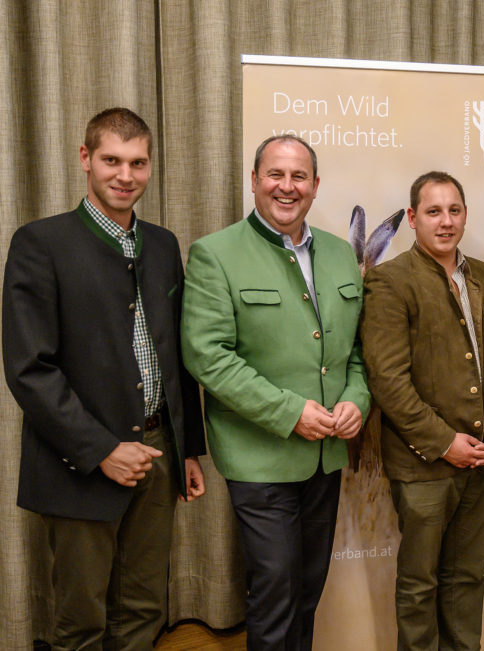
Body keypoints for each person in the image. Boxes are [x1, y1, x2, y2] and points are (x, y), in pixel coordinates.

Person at [2, 107, 206, 650]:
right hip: (81, 459)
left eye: (138, 163)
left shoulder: (162, 245)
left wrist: (188, 448)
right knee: (81, 618)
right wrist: (101, 449)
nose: (125, 175)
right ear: (86, 159)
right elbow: (29, 369)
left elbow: (175, 354)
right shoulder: (40, 243)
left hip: (158, 450)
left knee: (143, 607)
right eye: (112, 160)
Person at [181, 134, 369, 651]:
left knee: (308, 592)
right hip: (259, 459)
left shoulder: (337, 253)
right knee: (276, 593)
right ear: (255, 180)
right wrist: (289, 413)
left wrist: (357, 400)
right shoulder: (215, 254)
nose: (287, 187)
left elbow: (356, 352)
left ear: (314, 186)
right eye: (275, 175)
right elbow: (207, 356)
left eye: (299, 177)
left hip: (324, 458)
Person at [361, 171, 484, 650]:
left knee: (466, 580)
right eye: (433, 211)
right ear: (412, 219)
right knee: (419, 585)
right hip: (424, 465)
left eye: (454, 210)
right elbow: (388, 381)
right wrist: (445, 442)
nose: (445, 221)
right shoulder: (390, 282)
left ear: (465, 215)